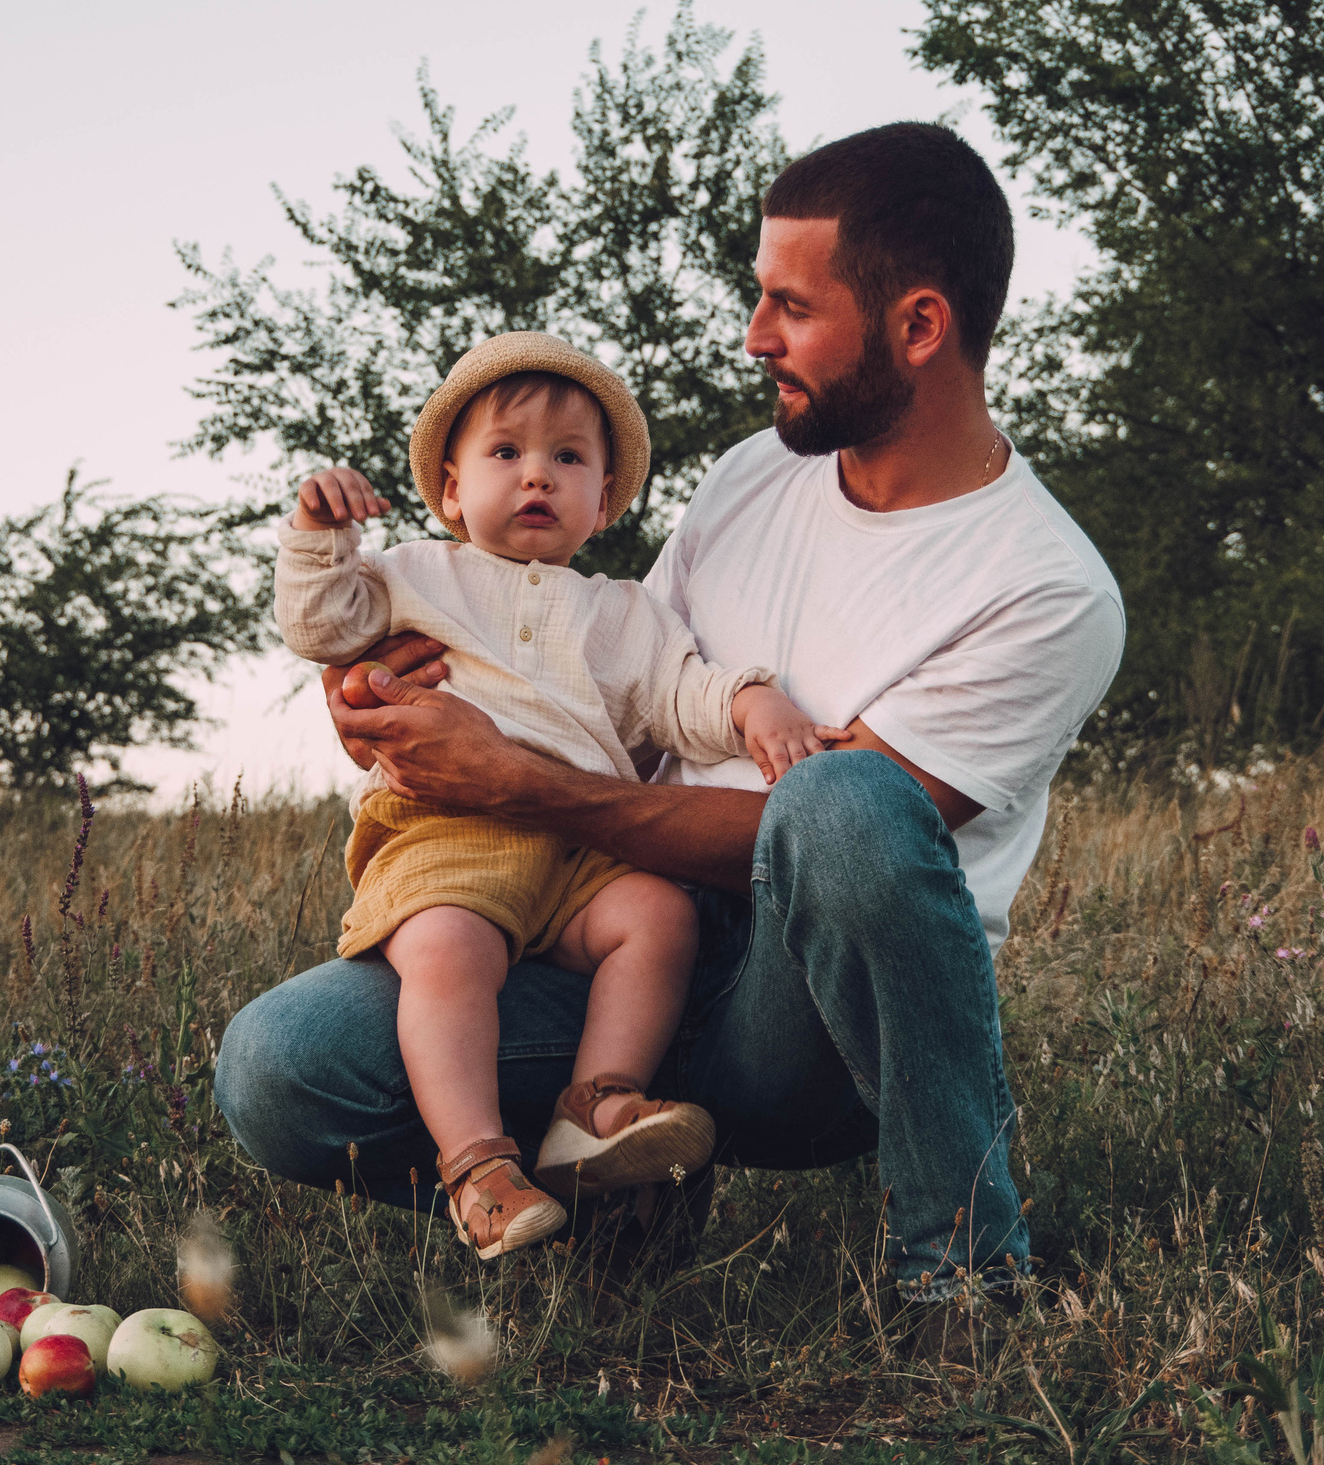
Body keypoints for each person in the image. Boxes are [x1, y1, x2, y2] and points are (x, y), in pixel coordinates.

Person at [219, 122, 1125, 1313]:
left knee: (842, 795)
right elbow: (622, 692)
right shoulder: (761, 471)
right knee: (281, 1069)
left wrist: (518, 783)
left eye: (789, 308)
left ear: (917, 326)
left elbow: (828, 852)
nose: (756, 339)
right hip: (604, 938)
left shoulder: (1044, 587)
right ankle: (610, 1173)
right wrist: (399, 704)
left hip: (804, 1024)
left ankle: (962, 1270)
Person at [273, 331, 843, 1260]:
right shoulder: (416, 573)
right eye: (506, 454)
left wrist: (751, 702)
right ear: (453, 490)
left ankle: (596, 1105)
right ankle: (478, 1164)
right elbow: (321, 620)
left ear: (604, 500)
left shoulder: (622, 612)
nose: (536, 476)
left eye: (567, 459)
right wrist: (320, 532)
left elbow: (680, 692)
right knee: (449, 949)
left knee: (657, 914)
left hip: (581, 856)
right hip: (445, 833)